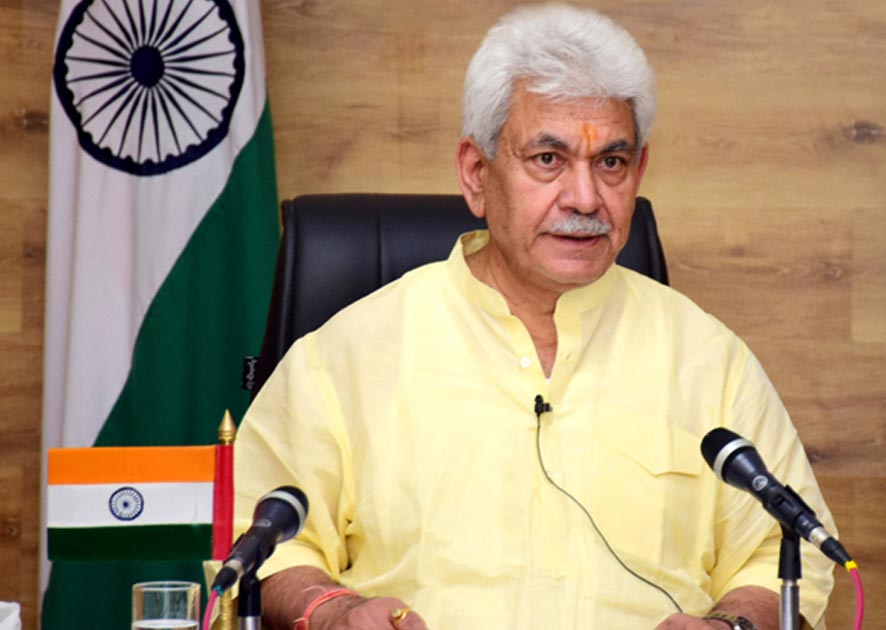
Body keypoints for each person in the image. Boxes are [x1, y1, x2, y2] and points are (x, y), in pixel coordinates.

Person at [234, 4, 838, 630]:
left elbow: (782, 555)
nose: (585, 198)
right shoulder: (348, 354)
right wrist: (331, 611)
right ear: (476, 174)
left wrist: (730, 624)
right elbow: (253, 539)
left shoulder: (709, 358)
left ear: (639, 172)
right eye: (548, 159)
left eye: (611, 163)